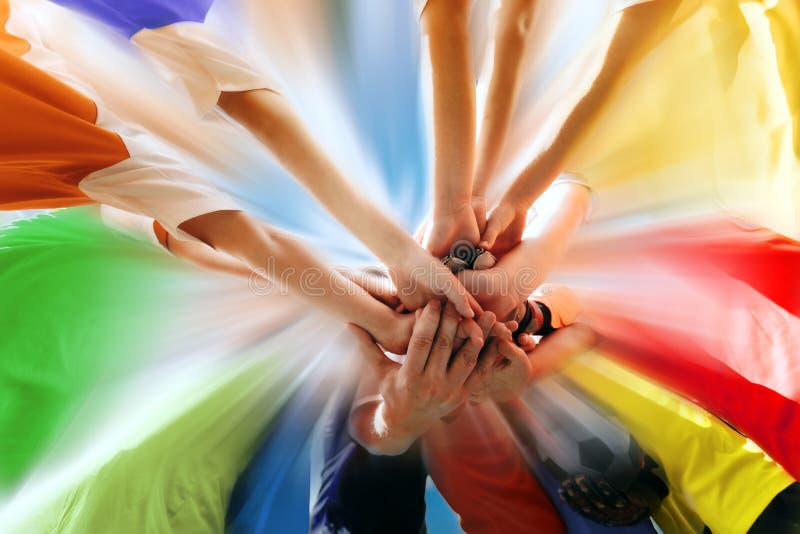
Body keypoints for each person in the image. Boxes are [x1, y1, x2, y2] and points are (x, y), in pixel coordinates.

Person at [0, 0, 430, 353]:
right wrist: (388, 272)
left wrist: (386, 277)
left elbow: (233, 232)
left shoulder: (86, 153)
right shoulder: (92, 150)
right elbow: (244, 109)